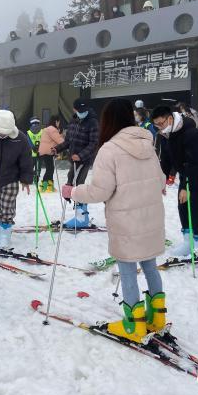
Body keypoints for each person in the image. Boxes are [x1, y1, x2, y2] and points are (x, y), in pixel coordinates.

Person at [62, 99, 166, 344]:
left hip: (126, 221)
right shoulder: (148, 144)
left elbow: (99, 191)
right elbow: (161, 181)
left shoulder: (110, 150)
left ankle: (134, 323)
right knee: (149, 265)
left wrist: (73, 192)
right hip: (150, 219)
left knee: (128, 270)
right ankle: (157, 317)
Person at [152, 105, 198, 258]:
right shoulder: (165, 134)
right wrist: (162, 179)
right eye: (156, 125)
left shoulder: (190, 133)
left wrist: (186, 186)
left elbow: (196, 162)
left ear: (170, 118)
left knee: (197, 206)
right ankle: (188, 243)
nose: (159, 128)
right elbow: (166, 160)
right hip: (187, 170)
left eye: (161, 123)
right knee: (183, 205)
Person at [0, 110, 34, 251]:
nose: (2, 135)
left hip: (10, 178)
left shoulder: (20, 138)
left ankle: (5, 235)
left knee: (7, 206)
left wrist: (26, 179)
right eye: (0, 132)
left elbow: (26, 160)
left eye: (5, 133)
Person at [53, 98, 100, 228]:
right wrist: (57, 148)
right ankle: (79, 213)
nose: (82, 112)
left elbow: (93, 143)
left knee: (79, 185)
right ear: (75, 110)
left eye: (84, 110)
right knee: (70, 184)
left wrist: (80, 155)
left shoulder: (92, 122)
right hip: (73, 160)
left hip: (84, 160)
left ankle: (82, 217)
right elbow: (68, 141)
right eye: (80, 110)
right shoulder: (73, 121)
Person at [38, 115, 64, 193]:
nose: (59, 123)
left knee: (50, 168)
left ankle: (49, 186)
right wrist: (67, 143)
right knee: (50, 169)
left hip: (45, 151)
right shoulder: (52, 129)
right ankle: (44, 186)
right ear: (56, 121)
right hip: (47, 151)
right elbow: (60, 141)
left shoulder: (48, 128)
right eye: (59, 122)